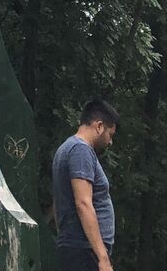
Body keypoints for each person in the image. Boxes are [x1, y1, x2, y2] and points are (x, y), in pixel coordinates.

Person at [51, 98, 119, 271]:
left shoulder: (66, 149)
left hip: (77, 247)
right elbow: (83, 203)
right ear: (99, 126)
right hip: (84, 251)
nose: (110, 142)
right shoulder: (80, 150)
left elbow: (58, 205)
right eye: (110, 135)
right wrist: (102, 257)